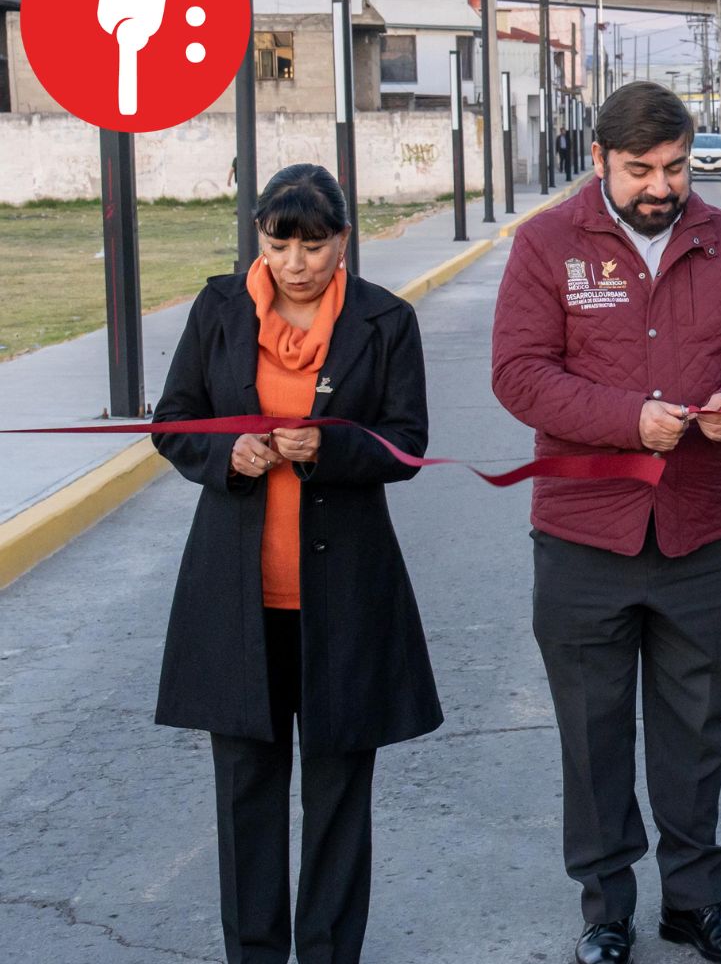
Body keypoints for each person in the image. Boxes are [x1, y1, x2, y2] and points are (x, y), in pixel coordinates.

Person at [491, 81, 721, 964]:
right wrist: (630, 419)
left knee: (696, 733)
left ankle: (696, 903)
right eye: (639, 170)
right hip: (584, 535)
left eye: (673, 167)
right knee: (593, 732)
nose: (661, 187)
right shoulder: (547, 243)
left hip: (697, 531)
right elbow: (518, 373)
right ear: (599, 161)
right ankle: (606, 908)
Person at [151, 163, 441, 962]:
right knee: (246, 789)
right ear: (260, 240)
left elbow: (407, 444)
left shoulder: (386, 321)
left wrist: (333, 446)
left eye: (315, 245)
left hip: (345, 593)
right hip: (236, 595)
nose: (298, 262)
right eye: (282, 243)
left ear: (343, 242)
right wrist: (228, 453)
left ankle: (328, 953)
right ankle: (253, 954)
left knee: (340, 787)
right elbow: (175, 421)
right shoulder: (216, 311)